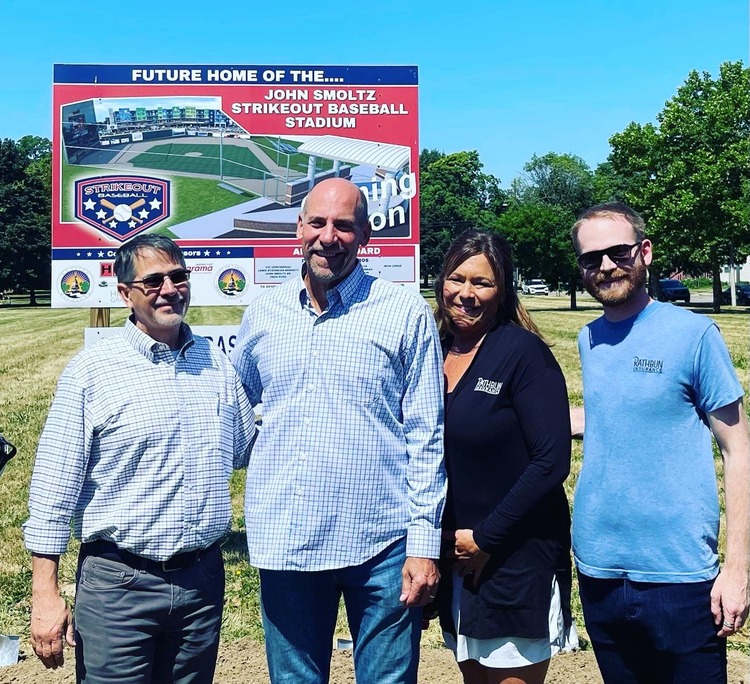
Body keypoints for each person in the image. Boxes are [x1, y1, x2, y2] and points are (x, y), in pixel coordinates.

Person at [230, 177, 446, 684]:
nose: (329, 237)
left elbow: (425, 434)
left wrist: (422, 541)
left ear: (367, 235)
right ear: (298, 228)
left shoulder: (403, 311)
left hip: (383, 541)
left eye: (344, 225)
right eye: (318, 222)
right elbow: (235, 409)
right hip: (287, 536)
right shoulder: (264, 310)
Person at [24, 234, 256, 683]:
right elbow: (53, 488)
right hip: (119, 588)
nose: (169, 289)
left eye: (178, 276)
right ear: (124, 292)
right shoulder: (92, 371)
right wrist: (44, 594)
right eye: (152, 281)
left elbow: (248, 449)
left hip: (201, 584)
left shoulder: (216, 365)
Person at [571, 202, 750, 683]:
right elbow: (617, 412)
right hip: (598, 570)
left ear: (644, 252)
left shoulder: (694, 335)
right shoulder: (587, 339)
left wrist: (737, 570)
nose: (606, 265)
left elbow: (739, 451)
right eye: (592, 258)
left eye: (618, 252)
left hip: (681, 578)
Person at [433, 229, 574, 684]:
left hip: (515, 556)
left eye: (482, 283)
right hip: (457, 559)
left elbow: (551, 462)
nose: (466, 294)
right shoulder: (433, 350)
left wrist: (487, 538)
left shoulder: (523, 353)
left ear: (503, 290)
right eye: (457, 278)